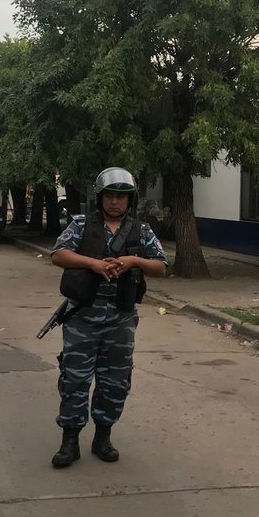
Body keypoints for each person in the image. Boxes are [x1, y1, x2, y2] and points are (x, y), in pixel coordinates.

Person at [49, 167, 167, 468]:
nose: (115, 202)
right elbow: (58, 254)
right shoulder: (81, 224)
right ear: (100, 198)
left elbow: (160, 266)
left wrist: (133, 261)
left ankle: (103, 436)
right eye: (110, 196)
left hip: (120, 320)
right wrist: (94, 264)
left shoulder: (141, 231)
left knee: (114, 381)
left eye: (121, 197)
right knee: (74, 379)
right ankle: (70, 440)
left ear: (130, 200)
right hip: (82, 317)